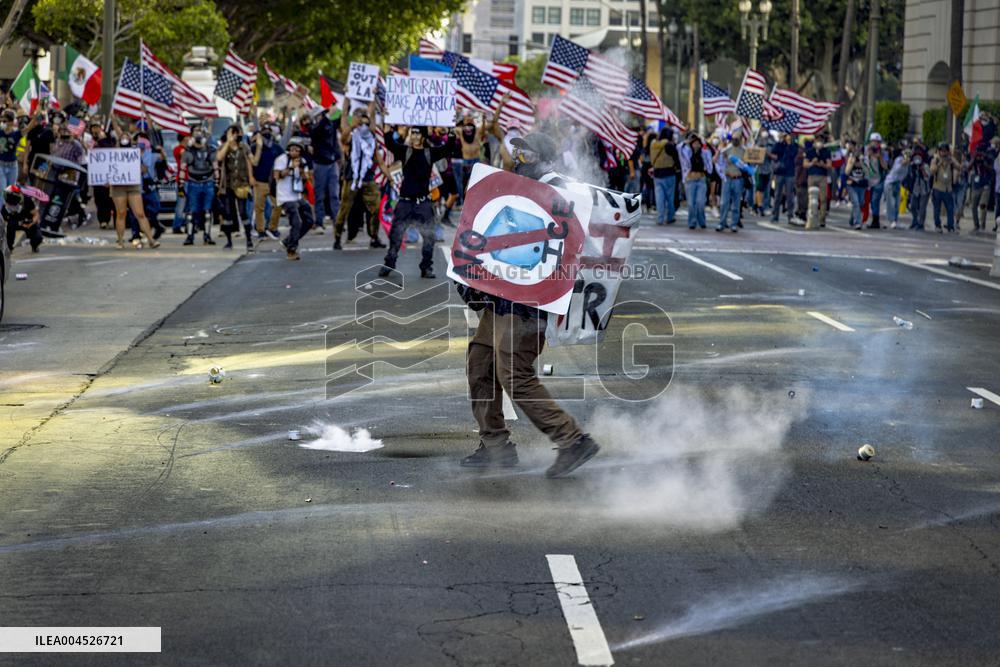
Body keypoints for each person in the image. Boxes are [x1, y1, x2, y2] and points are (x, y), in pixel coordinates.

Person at [458, 131, 601, 478]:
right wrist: (473, 275)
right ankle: (495, 447)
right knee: (481, 362)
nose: (517, 155)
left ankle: (571, 438)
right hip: (501, 294)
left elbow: (580, 248)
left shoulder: (561, 192)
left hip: (529, 302)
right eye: (517, 150)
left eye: (525, 151)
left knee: (514, 374)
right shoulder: (513, 187)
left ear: (541, 156)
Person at [379, 126, 453, 279]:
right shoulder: (405, 151)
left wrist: (450, 132)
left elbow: (448, 149)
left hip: (423, 204)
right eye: (412, 132)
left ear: (423, 136)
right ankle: (389, 263)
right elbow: (389, 144)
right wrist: (386, 129)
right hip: (405, 203)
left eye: (417, 133)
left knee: (429, 236)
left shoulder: (429, 153)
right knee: (396, 236)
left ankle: (426, 267)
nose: (414, 135)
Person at [334, 104, 385, 250]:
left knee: (375, 209)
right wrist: (352, 125)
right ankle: (337, 238)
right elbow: (343, 139)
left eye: (366, 122)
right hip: (352, 178)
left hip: (369, 178)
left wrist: (373, 99)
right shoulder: (351, 135)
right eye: (360, 121)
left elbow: (379, 160)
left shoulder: (371, 137)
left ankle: (374, 237)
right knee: (344, 209)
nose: (363, 124)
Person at [109, 120, 159, 250]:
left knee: (140, 213)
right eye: (122, 137)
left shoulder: (136, 152)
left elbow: (144, 169)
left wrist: (140, 160)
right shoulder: (112, 153)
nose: (125, 139)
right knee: (121, 214)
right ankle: (120, 241)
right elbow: (107, 169)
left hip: (133, 185)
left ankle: (151, 240)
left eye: (127, 137)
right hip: (118, 186)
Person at [272, 136, 314, 260]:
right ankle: (291, 249)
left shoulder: (302, 161)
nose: (294, 152)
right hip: (285, 197)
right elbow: (277, 176)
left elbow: (306, 178)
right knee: (296, 221)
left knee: (309, 220)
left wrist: (300, 169)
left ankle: (288, 241)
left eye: (297, 150)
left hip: (297, 195)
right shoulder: (281, 159)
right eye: (292, 149)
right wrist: (290, 167)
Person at [216, 123, 256, 252]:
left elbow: (250, 161)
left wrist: (251, 177)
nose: (236, 135)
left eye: (237, 132)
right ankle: (229, 241)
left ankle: (249, 240)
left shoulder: (244, 147)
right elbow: (219, 158)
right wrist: (228, 142)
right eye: (233, 132)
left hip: (242, 183)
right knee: (228, 214)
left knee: (243, 212)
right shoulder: (224, 147)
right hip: (227, 185)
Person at [181, 127, 217, 245]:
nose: (198, 136)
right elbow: (183, 168)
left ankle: (207, 235)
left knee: (207, 211)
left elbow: (215, 166)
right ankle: (190, 236)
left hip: (208, 182)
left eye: (200, 134)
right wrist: (181, 184)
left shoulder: (210, 150)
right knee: (191, 212)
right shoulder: (188, 151)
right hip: (193, 182)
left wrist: (217, 183)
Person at [308, 106, 341, 232]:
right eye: (321, 114)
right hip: (320, 164)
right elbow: (318, 130)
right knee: (320, 195)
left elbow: (341, 118)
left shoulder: (330, 125)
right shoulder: (315, 128)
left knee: (334, 194)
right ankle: (319, 222)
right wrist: (326, 117)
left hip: (332, 163)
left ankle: (336, 221)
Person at [250, 121, 283, 241]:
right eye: (264, 131)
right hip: (259, 181)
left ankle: (273, 228)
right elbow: (251, 162)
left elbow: (283, 160)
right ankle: (261, 230)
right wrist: (251, 177)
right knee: (259, 208)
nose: (267, 134)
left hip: (274, 182)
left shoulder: (277, 147)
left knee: (278, 206)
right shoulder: (254, 147)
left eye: (269, 131)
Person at [679, 133, 713, 230]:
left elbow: (711, 153)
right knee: (691, 203)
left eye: (698, 143)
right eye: (694, 143)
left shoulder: (704, 153)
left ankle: (702, 221)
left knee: (700, 202)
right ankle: (692, 222)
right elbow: (679, 147)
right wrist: (687, 141)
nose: (696, 145)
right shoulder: (686, 152)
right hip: (690, 180)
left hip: (701, 180)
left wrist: (704, 141)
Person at [649, 127, 680, 225]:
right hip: (669, 173)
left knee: (659, 198)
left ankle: (660, 218)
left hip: (657, 174)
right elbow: (676, 158)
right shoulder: (669, 145)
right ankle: (670, 217)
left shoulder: (653, 144)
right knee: (670, 197)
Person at [715, 134, 746, 232]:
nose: (735, 140)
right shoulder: (726, 150)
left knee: (736, 203)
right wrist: (719, 151)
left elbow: (748, 165)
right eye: (734, 138)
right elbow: (717, 161)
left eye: (737, 138)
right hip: (727, 178)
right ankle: (722, 223)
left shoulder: (745, 151)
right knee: (724, 203)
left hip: (738, 178)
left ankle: (734, 224)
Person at [2, 185, 42, 253]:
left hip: (28, 222)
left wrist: (31, 223)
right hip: (15, 223)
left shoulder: (27, 201)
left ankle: (34, 246)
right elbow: (4, 220)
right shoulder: (6, 206)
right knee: (10, 225)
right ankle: (9, 247)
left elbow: (36, 214)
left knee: (38, 237)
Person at [930, 142, 959, 233]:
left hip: (948, 188)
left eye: (945, 151)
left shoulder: (951, 159)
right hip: (938, 187)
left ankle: (950, 226)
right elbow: (932, 171)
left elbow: (959, 167)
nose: (943, 153)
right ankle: (937, 225)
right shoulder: (935, 159)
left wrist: (952, 161)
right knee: (937, 209)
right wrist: (939, 163)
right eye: (941, 151)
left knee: (950, 208)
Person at [803, 135, 832, 227]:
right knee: (810, 198)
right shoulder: (809, 151)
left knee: (823, 199)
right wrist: (812, 163)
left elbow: (829, 165)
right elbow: (805, 164)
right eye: (818, 140)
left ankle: (822, 219)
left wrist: (822, 164)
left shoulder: (826, 152)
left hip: (822, 177)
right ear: (814, 141)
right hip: (812, 176)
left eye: (821, 141)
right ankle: (810, 217)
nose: (819, 142)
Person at [769, 133, 798, 224]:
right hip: (779, 172)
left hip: (790, 173)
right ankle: (775, 215)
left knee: (790, 195)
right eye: (787, 135)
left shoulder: (794, 146)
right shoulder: (778, 145)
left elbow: (793, 155)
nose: (788, 137)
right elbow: (773, 155)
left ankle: (790, 215)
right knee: (777, 195)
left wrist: (789, 145)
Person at [865, 133, 889, 229]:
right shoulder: (866, 150)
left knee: (875, 200)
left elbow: (886, 167)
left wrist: (879, 157)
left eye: (877, 142)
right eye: (873, 142)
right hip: (868, 180)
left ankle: (876, 221)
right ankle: (867, 218)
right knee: (869, 200)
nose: (875, 144)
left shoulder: (883, 153)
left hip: (879, 180)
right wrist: (868, 155)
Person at [883, 141, 908, 229]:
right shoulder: (899, 160)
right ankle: (891, 220)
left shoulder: (908, 165)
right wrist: (903, 163)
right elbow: (896, 170)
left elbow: (904, 175)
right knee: (891, 203)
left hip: (897, 183)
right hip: (890, 182)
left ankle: (895, 220)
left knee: (897, 203)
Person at [905, 148, 931, 230]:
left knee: (922, 207)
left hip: (924, 189)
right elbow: (909, 176)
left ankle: (920, 224)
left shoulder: (925, 166)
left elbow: (927, 177)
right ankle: (915, 220)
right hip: (915, 189)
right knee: (913, 206)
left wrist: (922, 169)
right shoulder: (912, 166)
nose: (917, 159)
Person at [969, 145, 993, 232]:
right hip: (976, 184)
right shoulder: (975, 157)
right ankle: (976, 225)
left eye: (982, 152)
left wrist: (984, 162)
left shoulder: (989, 157)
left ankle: (983, 225)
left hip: (986, 184)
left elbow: (991, 169)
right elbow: (968, 168)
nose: (980, 154)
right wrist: (974, 159)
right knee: (973, 206)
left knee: (983, 205)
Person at [844, 143, 868, 229]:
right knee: (856, 203)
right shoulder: (851, 159)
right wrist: (852, 163)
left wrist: (862, 163)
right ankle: (858, 223)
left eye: (860, 152)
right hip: (852, 184)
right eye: (856, 151)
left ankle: (852, 219)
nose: (858, 153)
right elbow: (846, 172)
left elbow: (868, 172)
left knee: (860, 203)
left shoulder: (865, 160)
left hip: (861, 185)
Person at [0, 110, 21, 191]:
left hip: (13, 167)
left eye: (5, 121)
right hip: (1, 165)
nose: (3, 122)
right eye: (2, 120)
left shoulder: (16, 134)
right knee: (2, 191)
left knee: (10, 191)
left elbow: (29, 127)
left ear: (12, 122)